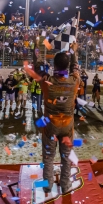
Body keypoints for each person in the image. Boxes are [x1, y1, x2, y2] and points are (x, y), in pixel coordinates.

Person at [24, 41, 80, 195]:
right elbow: (75, 68)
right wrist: (74, 52)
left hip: (51, 124)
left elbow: (37, 67)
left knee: (48, 157)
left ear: (54, 66)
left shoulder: (47, 82)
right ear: (67, 66)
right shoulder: (75, 80)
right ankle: (65, 184)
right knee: (66, 157)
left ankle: (47, 186)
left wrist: (37, 49)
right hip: (68, 124)